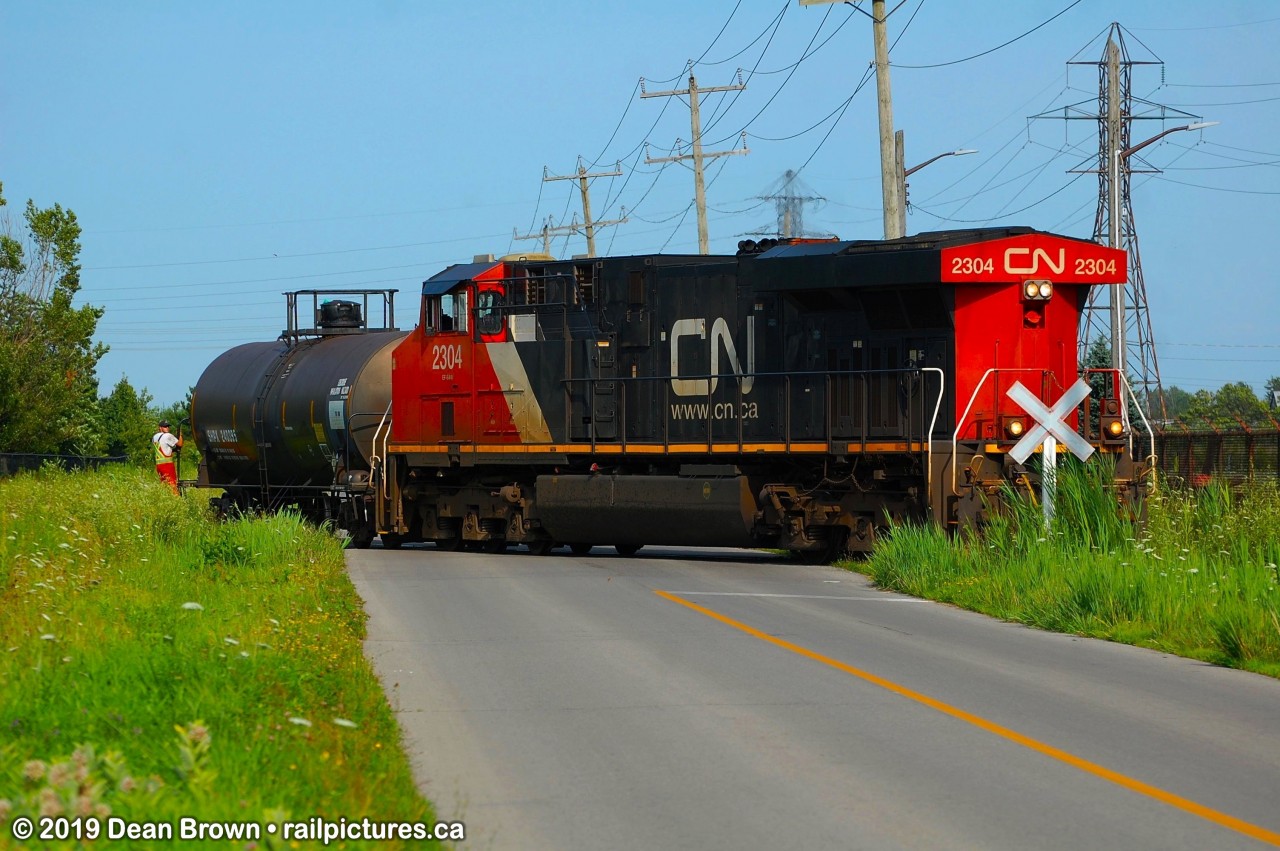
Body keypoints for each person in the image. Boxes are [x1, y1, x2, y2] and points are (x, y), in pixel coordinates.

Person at [152, 420, 183, 493]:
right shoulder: (168, 436)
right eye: (165, 426)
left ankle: (167, 499)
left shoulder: (154, 437)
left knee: (164, 485)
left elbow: (163, 448)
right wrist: (180, 434)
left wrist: (172, 450)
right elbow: (180, 444)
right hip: (167, 465)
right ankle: (176, 500)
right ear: (160, 428)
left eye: (168, 426)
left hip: (158, 466)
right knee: (173, 484)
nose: (167, 428)